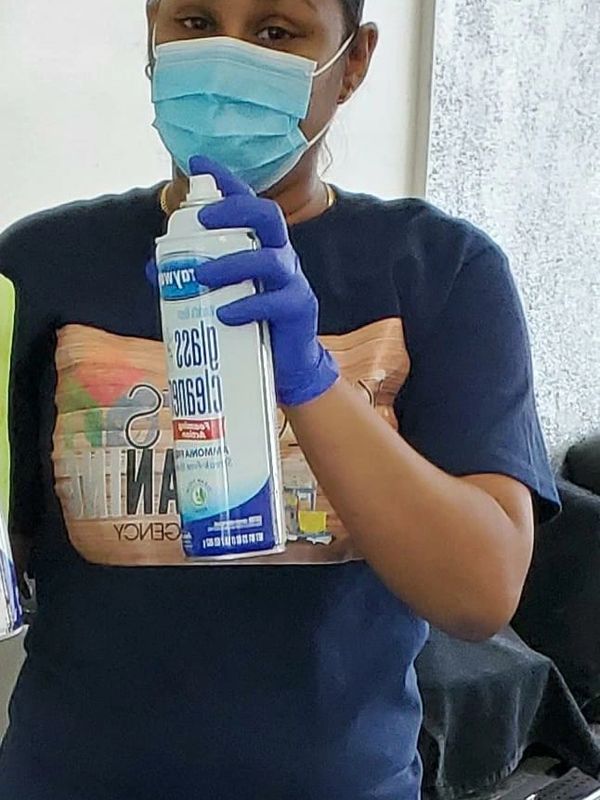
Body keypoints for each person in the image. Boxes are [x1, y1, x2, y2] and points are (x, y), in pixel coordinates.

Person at [0, 0, 559, 797]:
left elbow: (478, 593)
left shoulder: (438, 270)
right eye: (195, 22)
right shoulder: (39, 264)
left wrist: (312, 382)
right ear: (152, 32)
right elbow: (14, 553)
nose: (226, 58)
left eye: (276, 31)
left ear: (353, 62)